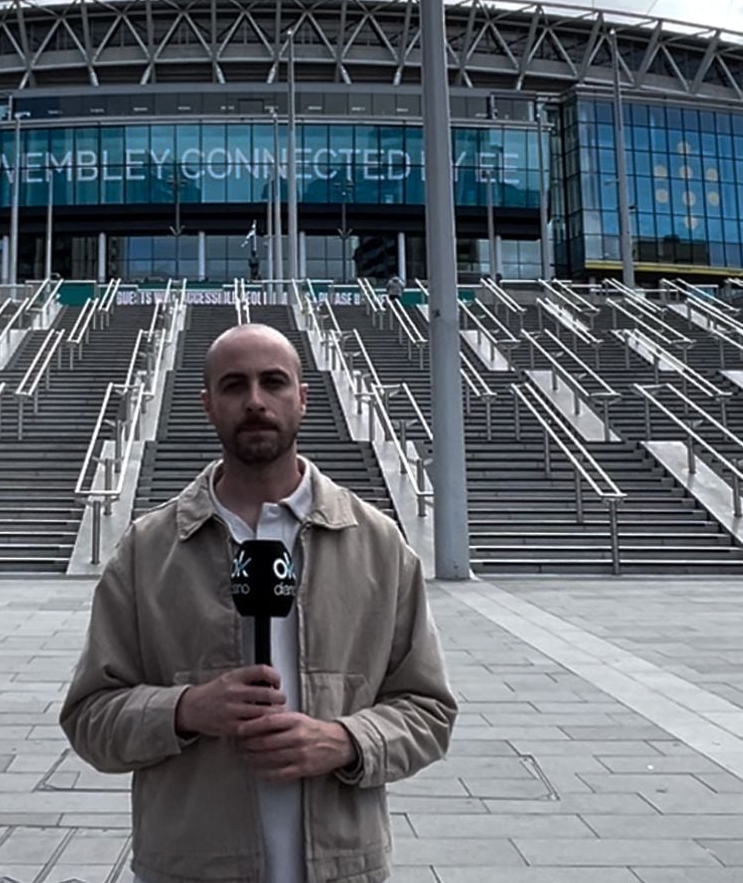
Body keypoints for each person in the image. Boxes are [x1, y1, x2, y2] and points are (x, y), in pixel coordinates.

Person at [61, 323, 455, 883]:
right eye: (233, 386)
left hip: (344, 868)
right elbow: (89, 717)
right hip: (191, 868)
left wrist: (344, 740)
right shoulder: (148, 550)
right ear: (207, 404)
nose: (255, 401)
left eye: (273, 382)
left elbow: (429, 712)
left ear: (302, 397)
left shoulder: (377, 542)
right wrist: (184, 709)